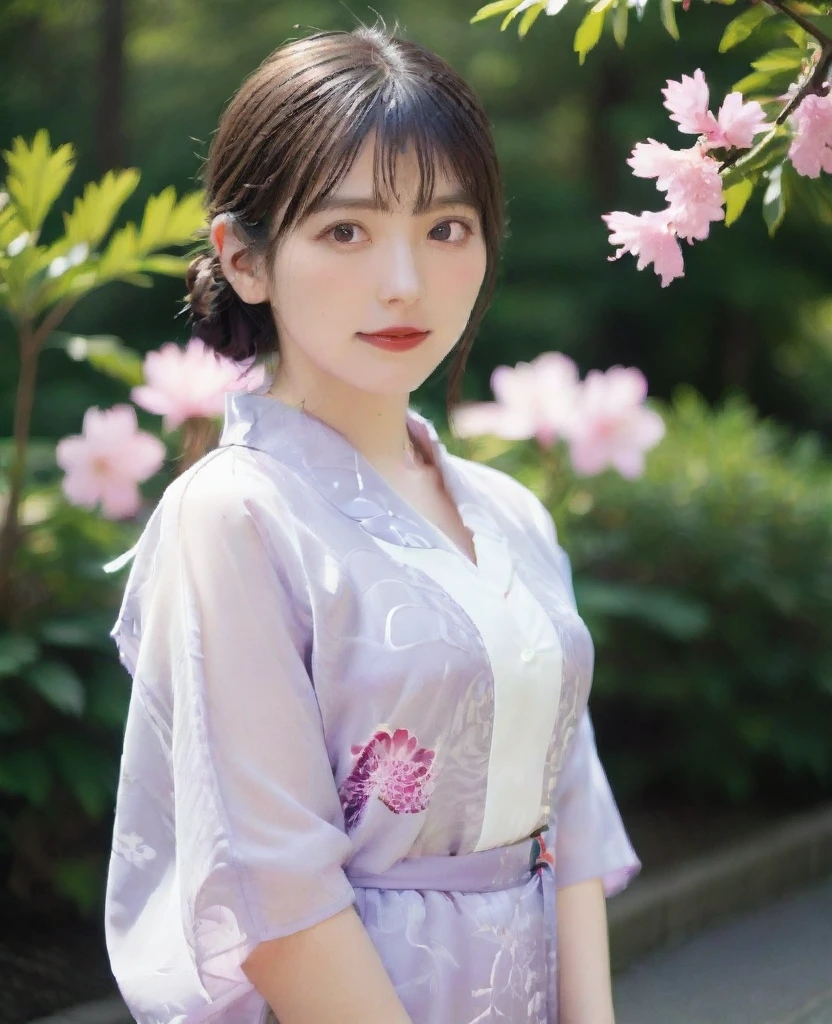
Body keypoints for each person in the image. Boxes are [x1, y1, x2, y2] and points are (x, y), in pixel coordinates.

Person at [103, 22, 641, 1024]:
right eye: (345, 231)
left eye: (446, 228)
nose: (405, 281)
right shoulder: (235, 515)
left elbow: (568, 810)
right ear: (245, 258)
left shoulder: (509, 512)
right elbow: (276, 889)